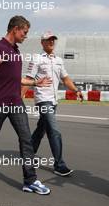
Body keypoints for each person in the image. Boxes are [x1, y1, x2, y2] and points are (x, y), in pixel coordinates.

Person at [0, 16, 52, 195]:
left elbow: (16, 79)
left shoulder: (15, 51)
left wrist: (35, 83)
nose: (26, 36)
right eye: (25, 32)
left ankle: (30, 180)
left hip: (16, 102)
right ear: (15, 29)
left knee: (26, 139)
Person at [22, 31, 83, 176]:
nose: (51, 42)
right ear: (42, 43)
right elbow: (28, 78)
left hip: (54, 101)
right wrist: (19, 97)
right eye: (48, 40)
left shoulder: (59, 60)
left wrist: (76, 90)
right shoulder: (36, 58)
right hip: (43, 100)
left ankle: (28, 155)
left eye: (53, 40)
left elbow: (66, 79)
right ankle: (59, 164)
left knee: (41, 130)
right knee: (54, 131)